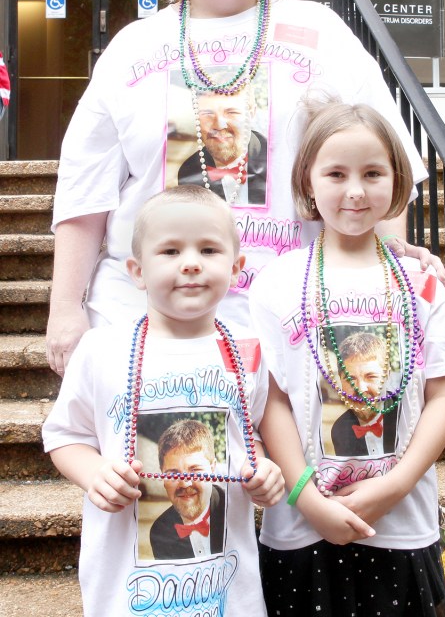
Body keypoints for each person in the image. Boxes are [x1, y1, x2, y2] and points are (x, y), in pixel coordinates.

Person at [46, 0, 438, 377]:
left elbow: (383, 160)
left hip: (287, 322)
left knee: (286, 462)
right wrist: (65, 309)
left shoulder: (321, 32)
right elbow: (85, 191)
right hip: (140, 325)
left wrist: (381, 271)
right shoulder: (131, 48)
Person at [248, 97, 445, 616]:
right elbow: (272, 400)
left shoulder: (421, 283)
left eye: (373, 173)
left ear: (396, 182)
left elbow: (444, 397)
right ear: (308, 181)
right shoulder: (275, 283)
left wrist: (394, 486)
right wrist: (307, 499)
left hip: (402, 523)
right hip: (301, 527)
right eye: (336, 173)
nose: (355, 190)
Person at [42, 186, 285, 617]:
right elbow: (64, 435)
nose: (190, 262)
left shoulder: (249, 352)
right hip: (129, 595)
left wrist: (263, 470)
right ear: (136, 271)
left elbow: (248, 437)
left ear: (236, 268)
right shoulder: (100, 349)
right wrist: (96, 473)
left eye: (208, 249)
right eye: (170, 251)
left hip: (228, 592)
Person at [149, 419, 226, 559]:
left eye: (195, 470)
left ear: (212, 469)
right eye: (173, 473)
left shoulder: (232, 511)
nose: (185, 483)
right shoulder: (160, 531)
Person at [177, 87, 268, 204]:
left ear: (251, 114)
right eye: (207, 114)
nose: (219, 125)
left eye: (231, 113)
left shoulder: (277, 161)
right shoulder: (188, 171)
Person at [330, 331, 397, 456]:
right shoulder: (339, 430)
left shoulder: (404, 414)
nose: (360, 389)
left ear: (387, 375)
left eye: (370, 376)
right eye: (350, 379)